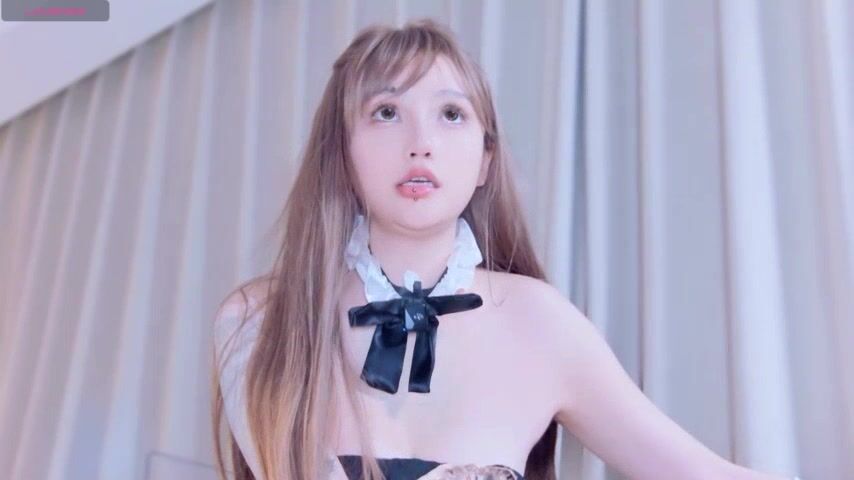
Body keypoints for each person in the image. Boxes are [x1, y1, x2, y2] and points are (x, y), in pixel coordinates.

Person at [212, 18, 800, 480]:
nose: (421, 143)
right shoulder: (257, 322)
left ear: (485, 160)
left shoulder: (539, 322)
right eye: (386, 112)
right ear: (341, 152)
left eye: (451, 114)